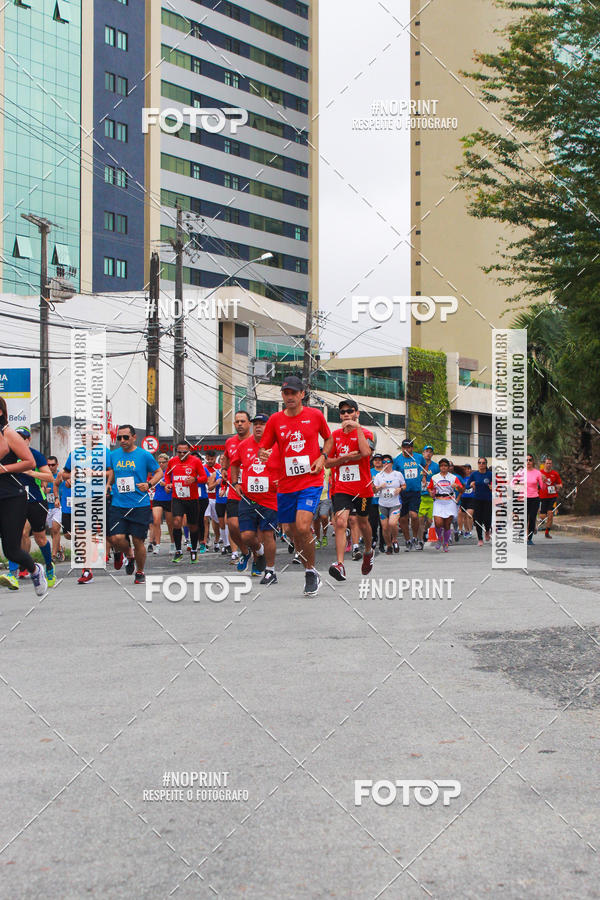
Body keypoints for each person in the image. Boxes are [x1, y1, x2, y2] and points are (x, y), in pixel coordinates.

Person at [258, 375, 332, 596]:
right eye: (285, 393)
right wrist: (263, 453)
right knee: (290, 530)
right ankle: (309, 565)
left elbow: (328, 439)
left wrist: (322, 457)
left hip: (310, 480)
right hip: (286, 483)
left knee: (302, 526)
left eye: (293, 393)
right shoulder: (275, 420)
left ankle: (311, 572)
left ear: (302, 394)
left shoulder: (315, 416)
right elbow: (265, 446)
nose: (289, 397)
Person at [0, 399, 47, 595]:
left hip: (11, 497)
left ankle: (36, 570)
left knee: (12, 550)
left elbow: (29, 462)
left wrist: (3, 468)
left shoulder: (9, 434)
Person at [107, 425, 163, 583]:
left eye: (125, 437)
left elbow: (159, 472)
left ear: (133, 437)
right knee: (116, 538)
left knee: (138, 540)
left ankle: (140, 571)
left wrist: (149, 484)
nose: (122, 441)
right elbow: (112, 471)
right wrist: (108, 483)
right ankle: (129, 554)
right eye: (119, 438)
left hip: (139, 504)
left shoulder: (144, 455)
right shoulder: (113, 455)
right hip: (118, 503)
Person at [327, 399, 375, 582]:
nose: (346, 414)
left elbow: (365, 453)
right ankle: (339, 564)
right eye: (343, 412)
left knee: (363, 522)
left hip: (362, 489)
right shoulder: (335, 435)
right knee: (340, 522)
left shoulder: (366, 433)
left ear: (357, 413)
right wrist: (344, 458)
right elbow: (327, 463)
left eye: (350, 411)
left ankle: (368, 551)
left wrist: (358, 428)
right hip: (341, 487)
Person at [229, 414, 279, 584]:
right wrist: (235, 483)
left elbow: (287, 464)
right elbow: (234, 464)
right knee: (247, 536)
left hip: (270, 498)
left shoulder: (277, 445)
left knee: (267, 534)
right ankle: (260, 551)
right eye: (256, 424)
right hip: (248, 498)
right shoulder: (244, 446)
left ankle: (271, 571)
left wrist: (282, 480)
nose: (259, 427)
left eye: (263, 424)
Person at [6, 427, 56, 588]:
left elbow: (49, 476)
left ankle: (49, 566)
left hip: (36, 500)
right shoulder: (8, 454)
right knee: (18, 534)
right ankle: (13, 573)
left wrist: (31, 473)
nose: (20, 440)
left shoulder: (34, 455)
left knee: (40, 538)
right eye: (17, 437)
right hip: (15, 500)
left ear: (28, 440)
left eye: (23, 438)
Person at [62, 427, 112, 584]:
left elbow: (111, 472)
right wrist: (71, 478)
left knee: (110, 533)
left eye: (88, 435)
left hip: (100, 496)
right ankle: (87, 570)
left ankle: (118, 552)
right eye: (83, 435)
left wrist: (98, 475)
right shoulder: (75, 453)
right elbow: (64, 473)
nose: (85, 437)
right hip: (82, 497)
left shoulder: (105, 452)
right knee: (84, 533)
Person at [164, 441, 208, 563]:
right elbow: (167, 475)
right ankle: (178, 551)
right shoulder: (172, 461)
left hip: (192, 499)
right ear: (176, 451)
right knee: (177, 522)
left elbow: (204, 478)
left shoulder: (196, 461)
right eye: (179, 452)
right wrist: (167, 484)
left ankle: (194, 550)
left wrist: (195, 479)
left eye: (185, 452)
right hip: (177, 498)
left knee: (193, 525)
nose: (182, 454)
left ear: (189, 451)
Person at [220, 411, 252, 564]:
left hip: (253, 490)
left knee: (252, 530)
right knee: (232, 525)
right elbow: (226, 456)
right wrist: (224, 469)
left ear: (249, 423)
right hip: (234, 490)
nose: (239, 424)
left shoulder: (256, 441)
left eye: (243, 421)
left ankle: (257, 554)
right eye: (237, 421)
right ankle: (245, 552)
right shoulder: (230, 442)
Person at [393, 438, 425, 550]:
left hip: (415, 491)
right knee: (403, 518)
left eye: (409, 447)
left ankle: (415, 537)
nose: (407, 449)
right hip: (402, 493)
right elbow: (394, 474)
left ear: (412, 448)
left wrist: (423, 476)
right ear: (402, 448)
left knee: (414, 515)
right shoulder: (397, 460)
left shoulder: (419, 457)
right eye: (405, 447)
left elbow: (424, 466)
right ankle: (407, 540)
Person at [428, 458, 464, 552]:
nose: (443, 467)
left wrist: (457, 487)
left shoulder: (453, 477)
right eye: (441, 466)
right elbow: (430, 488)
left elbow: (461, 490)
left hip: (449, 501)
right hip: (438, 501)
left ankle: (446, 542)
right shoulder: (435, 477)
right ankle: (439, 538)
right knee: (438, 522)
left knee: (447, 524)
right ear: (439, 467)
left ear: (448, 467)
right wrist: (431, 493)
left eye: (445, 466)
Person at [373, 455, 406, 553]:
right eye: (384, 462)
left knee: (392, 523)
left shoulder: (397, 474)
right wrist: (379, 487)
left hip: (395, 504)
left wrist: (400, 489)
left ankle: (395, 539)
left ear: (392, 463)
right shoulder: (379, 476)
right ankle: (388, 545)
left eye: (388, 461)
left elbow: (404, 485)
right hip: (383, 504)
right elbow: (374, 491)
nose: (386, 464)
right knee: (385, 527)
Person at [513, 454, 545, 545]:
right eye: (526, 460)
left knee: (532, 517)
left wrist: (543, 480)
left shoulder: (537, 473)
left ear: (533, 461)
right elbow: (512, 483)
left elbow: (542, 487)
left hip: (534, 498)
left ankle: (529, 538)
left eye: (530, 460)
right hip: (523, 498)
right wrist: (517, 487)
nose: (528, 462)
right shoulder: (520, 472)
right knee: (524, 517)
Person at [149, 453, 173, 554]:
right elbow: (150, 483)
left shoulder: (170, 472)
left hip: (169, 499)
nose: (161, 464)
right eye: (159, 462)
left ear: (167, 462)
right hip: (157, 499)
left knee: (170, 523)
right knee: (156, 521)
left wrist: (167, 484)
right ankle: (157, 545)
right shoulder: (156, 473)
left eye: (163, 462)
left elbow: (174, 484)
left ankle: (173, 544)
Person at [417, 444, 439, 550]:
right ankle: (420, 541)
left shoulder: (435, 466)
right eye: (426, 451)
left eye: (430, 452)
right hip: (420, 496)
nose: (428, 453)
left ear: (432, 454)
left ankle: (426, 530)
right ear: (423, 453)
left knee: (430, 521)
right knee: (420, 520)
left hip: (431, 498)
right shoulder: (418, 465)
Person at [468, 457, 493, 546]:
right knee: (478, 519)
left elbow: (497, 485)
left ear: (486, 464)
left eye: (483, 463)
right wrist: (471, 485)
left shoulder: (490, 474)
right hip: (477, 499)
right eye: (480, 463)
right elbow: (467, 486)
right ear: (478, 464)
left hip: (488, 499)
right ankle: (480, 538)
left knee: (487, 518)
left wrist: (492, 487)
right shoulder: (474, 474)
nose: (481, 464)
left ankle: (487, 531)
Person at [538, 455, 562, 538]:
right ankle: (540, 521)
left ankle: (547, 532)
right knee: (542, 516)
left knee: (550, 514)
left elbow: (560, 484)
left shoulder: (555, 474)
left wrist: (558, 486)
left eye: (550, 463)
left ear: (552, 464)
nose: (548, 465)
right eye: (547, 463)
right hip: (542, 496)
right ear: (544, 464)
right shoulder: (539, 473)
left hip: (552, 496)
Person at [45, 455, 63, 561]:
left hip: (58, 506)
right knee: (52, 531)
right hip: (48, 507)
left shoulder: (60, 475)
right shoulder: (44, 476)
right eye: (48, 465)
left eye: (52, 465)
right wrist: (44, 490)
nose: (50, 467)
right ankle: (59, 548)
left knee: (56, 529)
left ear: (57, 465)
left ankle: (53, 555)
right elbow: (40, 489)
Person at [203, 449, 221, 550]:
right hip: (206, 498)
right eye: (208, 459)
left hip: (216, 498)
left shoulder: (219, 468)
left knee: (216, 521)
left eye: (212, 459)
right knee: (205, 519)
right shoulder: (203, 468)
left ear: (215, 458)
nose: (210, 461)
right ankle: (204, 541)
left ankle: (217, 540)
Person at [369, 453, 385, 553]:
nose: (377, 461)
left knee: (383, 523)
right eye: (375, 460)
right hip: (373, 501)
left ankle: (382, 543)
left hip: (384, 501)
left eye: (379, 460)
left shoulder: (386, 472)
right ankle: (374, 538)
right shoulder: (369, 472)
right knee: (373, 523)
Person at [313, 466, 331, 549]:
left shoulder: (327, 468)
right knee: (315, 519)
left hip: (325, 497)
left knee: (324, 516)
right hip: (314, 497)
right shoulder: (312, 467)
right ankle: (318, 539)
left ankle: (324, 535)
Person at [458, 463, 475, 537]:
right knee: (463, 515)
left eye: (468, 469)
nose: (467, 470)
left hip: (471, 498)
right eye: (465, 469)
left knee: (469, 514)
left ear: (470, 470)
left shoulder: (473, 478)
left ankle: (470, 530)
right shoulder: (461, 478)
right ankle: (466, 530)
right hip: (463, 498)